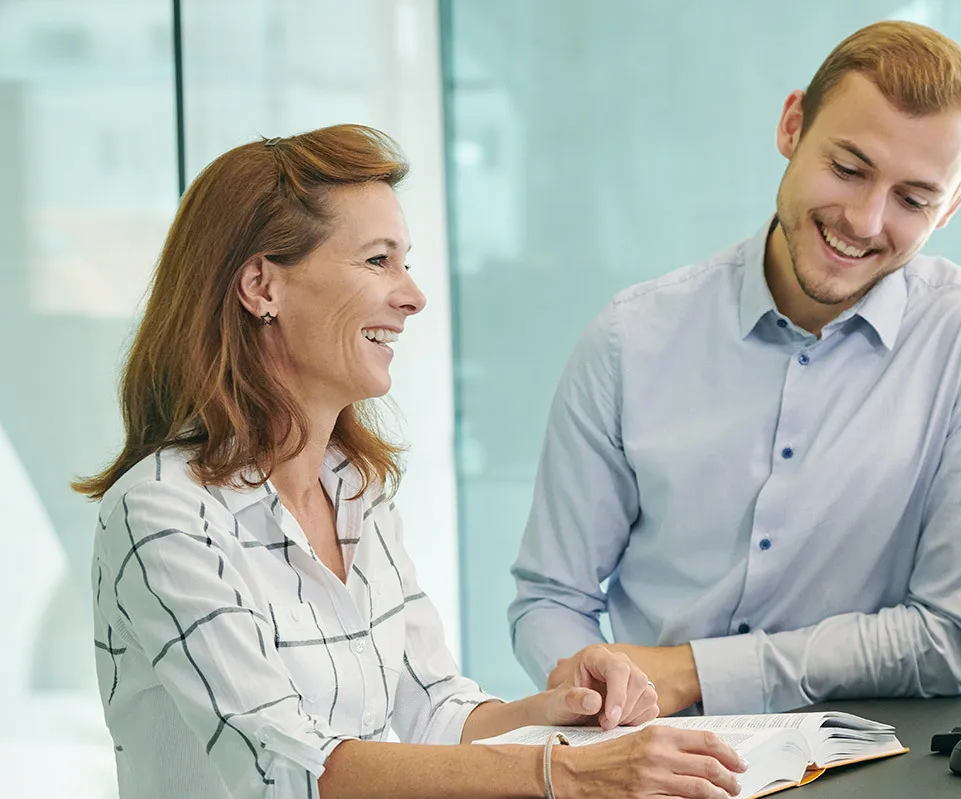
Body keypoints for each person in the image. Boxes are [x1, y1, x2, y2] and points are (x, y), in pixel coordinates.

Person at [77, 125, 747, 799]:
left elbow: (439, 710)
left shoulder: (355, 490)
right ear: (261, 286)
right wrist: (564, 771)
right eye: (378, 261)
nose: (413, 295)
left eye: (406, 261)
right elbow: (291, 771)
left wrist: (567, 707)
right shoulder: (163, 510)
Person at [509, 20, 961, 718]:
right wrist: (601, 693)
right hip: (651, 753)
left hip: (871, 765)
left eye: (913, 199)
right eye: (848, 168)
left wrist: (695, 671)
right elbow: (550, 597)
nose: (863, 219)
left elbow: (953, 636)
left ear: (953, 205)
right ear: (792, 126)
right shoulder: (630, 338)